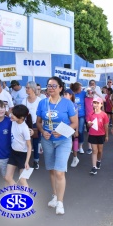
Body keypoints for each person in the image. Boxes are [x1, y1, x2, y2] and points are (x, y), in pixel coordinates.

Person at [36, 76, 77, 215]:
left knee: (60, 171)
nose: (50, 88)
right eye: (48, 85)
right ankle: (54, 196)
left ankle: (60, 202)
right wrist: (42, 131)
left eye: (54, 86)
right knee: (52, 170)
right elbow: (38, 122)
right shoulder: (42, 103)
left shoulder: (67, 103)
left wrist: (61, 132)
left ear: (60, 88)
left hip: (63, 141)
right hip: (47, 141)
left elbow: (74, 123)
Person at [4, 105, 32, 187]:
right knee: (7, 177)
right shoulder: (13, 120)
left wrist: (27, 162)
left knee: (22, 180)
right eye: (12, 113)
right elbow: (3, 114)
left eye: (13, 114)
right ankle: (16, 191)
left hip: (23, 155)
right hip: (13, 153)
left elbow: (29, 146)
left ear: (21, 118)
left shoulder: (25, 128)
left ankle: (27, 198)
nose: (11, 115)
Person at [86, 97, 109, 175]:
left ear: (101, 104)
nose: (95, 105)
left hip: (101, 135)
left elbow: (106, 126)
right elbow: (88, 123)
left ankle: (99, 161)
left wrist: (106, 136)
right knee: (94, 151)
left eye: (97, 103)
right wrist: (89, 124)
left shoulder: (104, 115)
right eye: (94, 103)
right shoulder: (90, 114)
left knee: (100, 151)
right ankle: (94, 167)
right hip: (92, 134)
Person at [22, 81, 41, 169]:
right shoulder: (24, 100)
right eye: (26, 87)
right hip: (26, 124)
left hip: (36, 124)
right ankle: (26, 161)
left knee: (35, 143)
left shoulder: (39, 101)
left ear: (33, 89)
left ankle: (36, 160)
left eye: (28, 88)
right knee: (26, 143)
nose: (26, 89)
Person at [63, 89, 80, 168]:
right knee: (65, 144)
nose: (65, 96)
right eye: (64, 94)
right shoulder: (61, 104)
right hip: (63, 126)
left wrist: (76, 130)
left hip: (71, 126)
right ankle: (63, 161)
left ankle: (75, 158)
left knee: (74, 143)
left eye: (67, 94)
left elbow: (76, 118)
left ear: (71, 95)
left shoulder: (74, 105)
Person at [70, 82, 86, 155]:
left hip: (81, 115)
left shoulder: (83, 93)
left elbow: (90, 96)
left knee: (80, 131)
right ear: (77, 89)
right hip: (72, 115)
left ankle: (80, 146)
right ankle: (73, 146)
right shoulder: (72, 94)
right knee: (72, 131)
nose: (81, 88)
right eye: (80, 87)